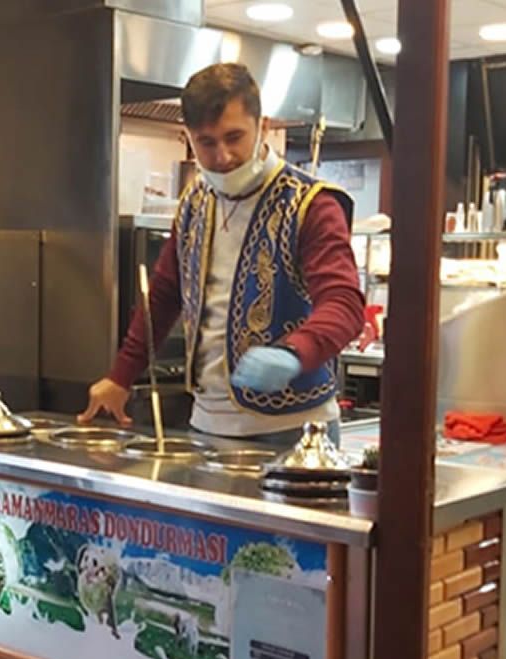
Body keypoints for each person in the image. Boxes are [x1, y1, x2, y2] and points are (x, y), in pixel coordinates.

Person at [79, 63, 364, 446]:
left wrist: (296, 352)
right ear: (188, 137)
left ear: (261, 126)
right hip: (206, 424)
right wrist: (120, 376)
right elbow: (164, 297)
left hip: (294, 429)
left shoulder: (311, 204)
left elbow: (344, 303)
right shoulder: (195, 202)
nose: (223, 156)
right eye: (206, 142)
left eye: (234, 137)